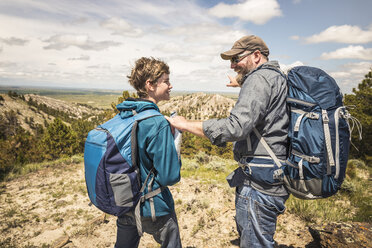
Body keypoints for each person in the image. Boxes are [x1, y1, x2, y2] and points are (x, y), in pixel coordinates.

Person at [166, 35, 289, 248]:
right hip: (273, 174)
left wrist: (186, 124)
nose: (232, 66)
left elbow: (235, 127)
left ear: (256, 55)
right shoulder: (276, 76)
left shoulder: (258, 80)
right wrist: (241, 81)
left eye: (237, 59)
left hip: (259, 184)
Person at [115, 57, 182, 248]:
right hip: (154, 205)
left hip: (125, 199)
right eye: (166, 81)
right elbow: (170, 176)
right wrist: (175, 143)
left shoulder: (126, 114)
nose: (170, 85)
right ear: (150, 85)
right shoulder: (157, 122)